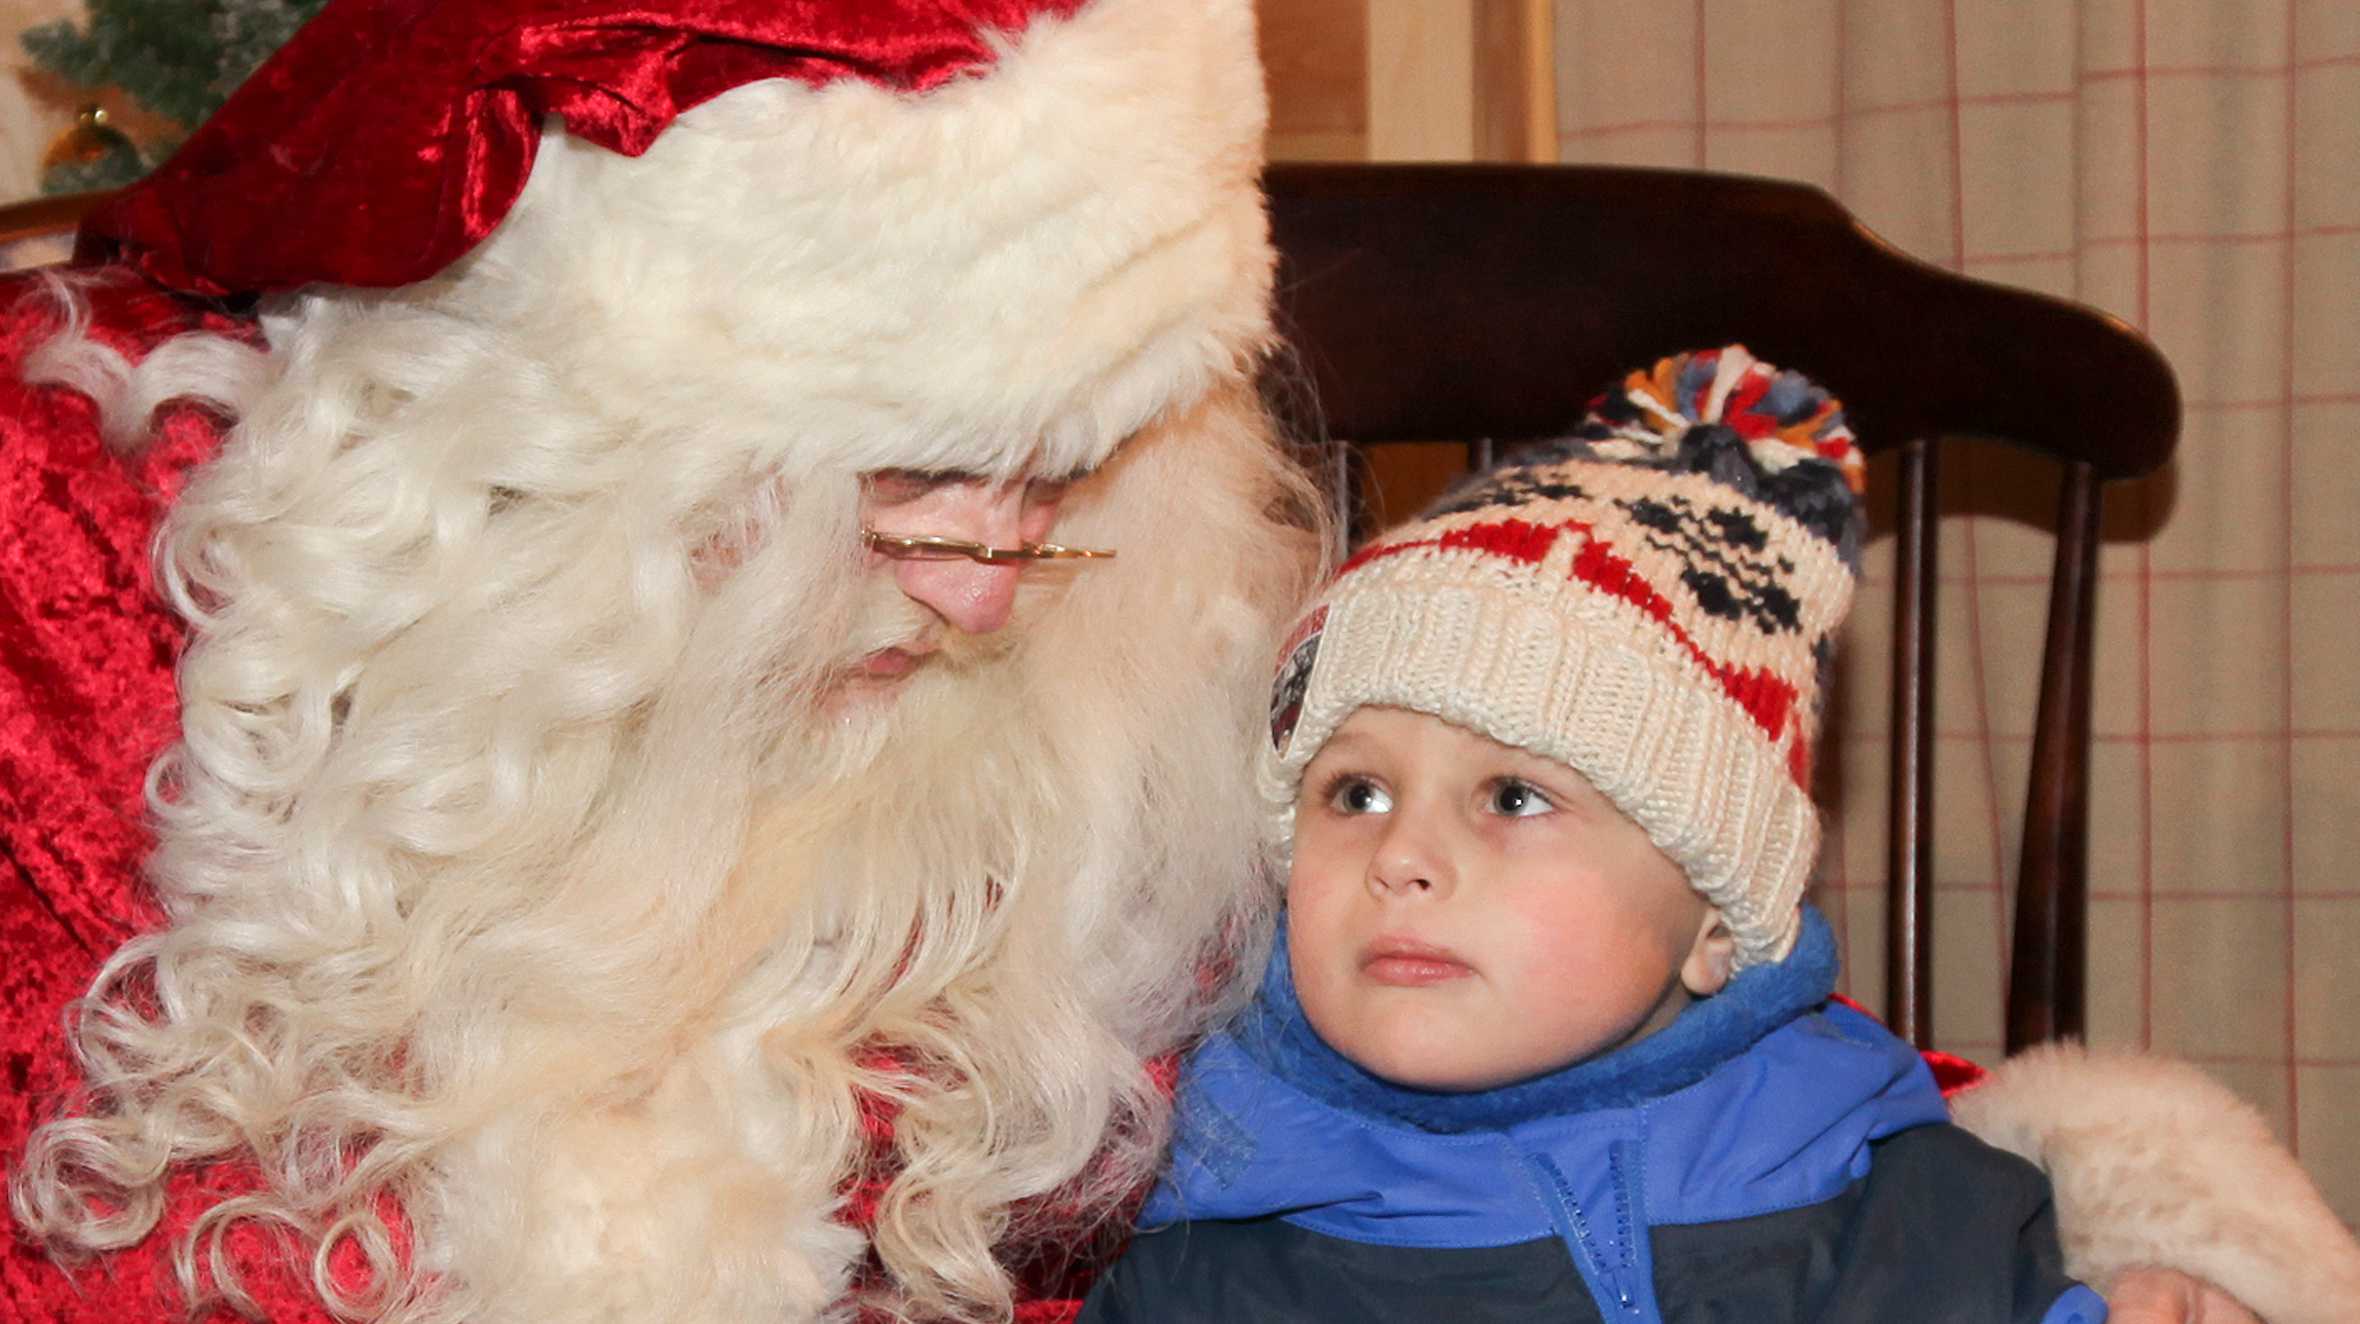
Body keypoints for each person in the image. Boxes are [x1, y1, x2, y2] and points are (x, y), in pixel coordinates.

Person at [0, 1, 2338, 1320]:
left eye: (1073, 477)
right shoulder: (130, 628)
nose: (1002, 585)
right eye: (906, 495)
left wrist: (2087, 1191)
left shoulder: (1104, 708)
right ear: (590, 439)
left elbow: (1596, 1008)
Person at [1078, 351, 2360, 1324]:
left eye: (1513, 797)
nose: (1398, 857)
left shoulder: (1898, 1204)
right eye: (1351, 793)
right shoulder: (1196, 1244)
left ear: (1710, 922)